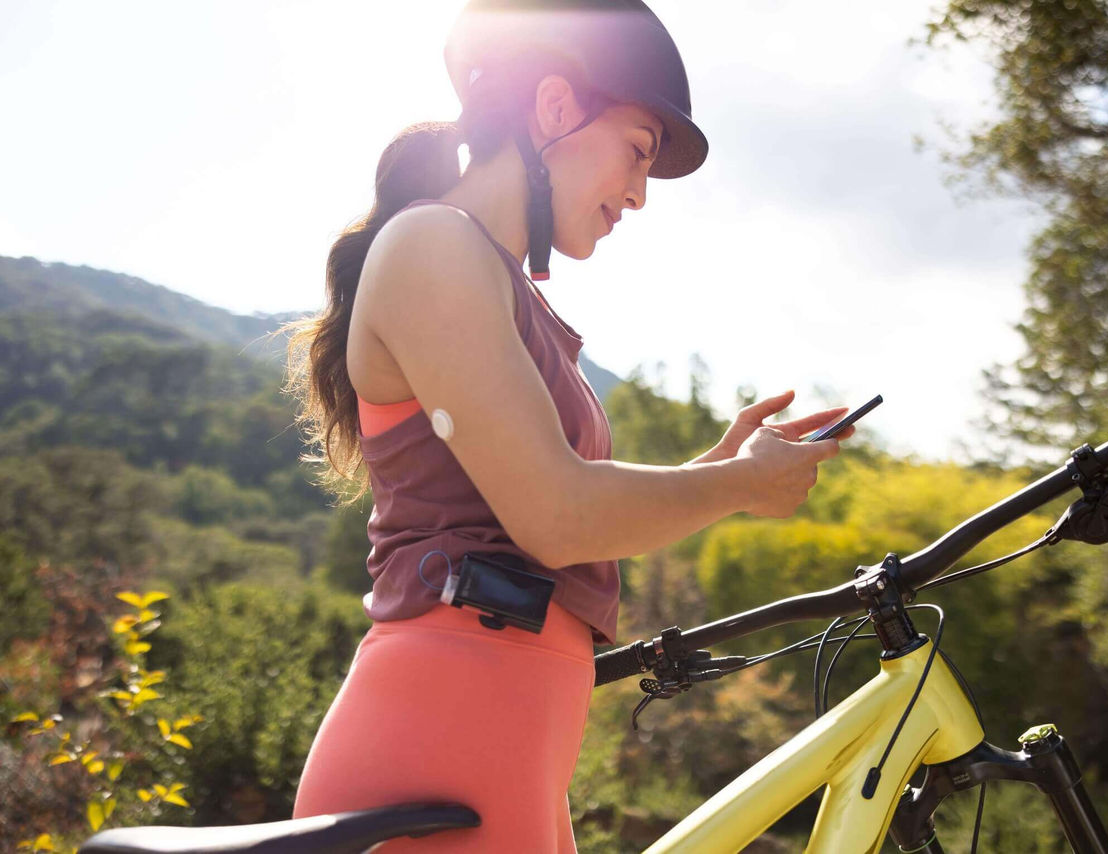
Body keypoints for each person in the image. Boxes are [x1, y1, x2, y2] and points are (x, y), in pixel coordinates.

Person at [281, 0, 855, 850]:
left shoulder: (506, 291)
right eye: (637, 151)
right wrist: (738, 485)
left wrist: (716, 467)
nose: (638, 194)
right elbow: (555, 516)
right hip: (443, 740)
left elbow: (557, 511)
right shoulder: (434, 247)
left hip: (505, 738)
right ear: (554, 108)